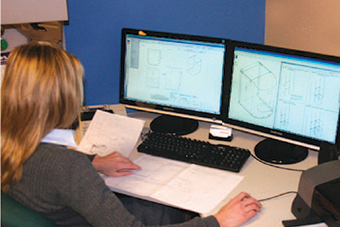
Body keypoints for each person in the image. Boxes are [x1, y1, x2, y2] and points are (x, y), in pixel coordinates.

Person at [1, 42, 262, 227]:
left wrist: (93, 161)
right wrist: (218, 222)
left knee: (155, 202)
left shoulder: (9, 140)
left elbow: (46, 170)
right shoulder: (66, 167)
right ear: (65, 100)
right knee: (166, 207)